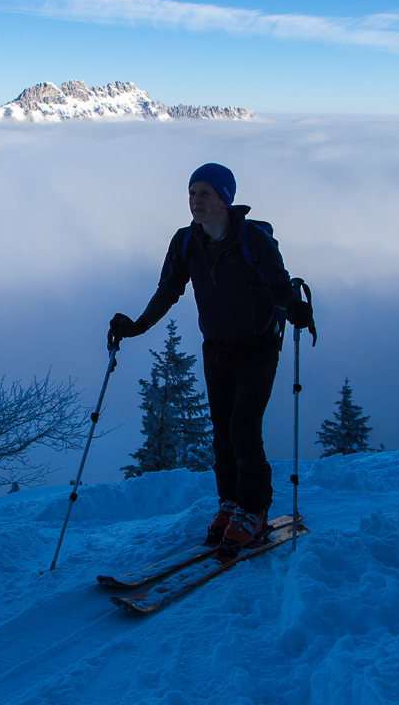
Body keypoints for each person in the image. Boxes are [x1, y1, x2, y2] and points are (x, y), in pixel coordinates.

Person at [108, 162, 313, 550]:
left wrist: (296, 312)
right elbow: (168, 291)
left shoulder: (255, 241)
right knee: (222, 431)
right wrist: (137, 326)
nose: (195, 201)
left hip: (258, 347)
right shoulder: (186, 242)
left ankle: (254, 508)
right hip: (216, 347)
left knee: (243, 429)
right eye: (191, 193)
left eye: (204, 193)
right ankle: (231, 502)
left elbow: (281, 293)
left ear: (225, 199)